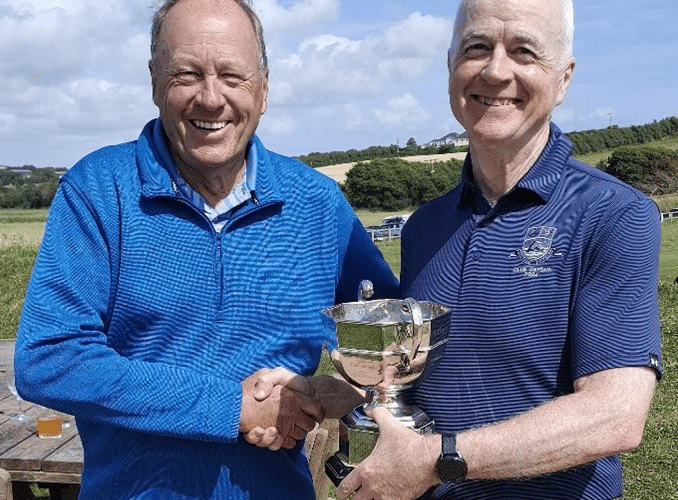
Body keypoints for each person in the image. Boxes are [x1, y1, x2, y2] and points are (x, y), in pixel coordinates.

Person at [252, 0, 662, 499]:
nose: (495, 70)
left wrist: (437, 460)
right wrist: (324, 394)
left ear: (564, 78)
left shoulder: (614, 213)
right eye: (477, 47)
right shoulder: (425, 226)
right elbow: (425, 384)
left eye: (524, 51)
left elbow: (614, 416)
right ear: (450, 67)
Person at [13, 0, 398, 498]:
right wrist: (230, 408)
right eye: (187, 74)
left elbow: (391, 344)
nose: (211, 99)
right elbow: (49, 359)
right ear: (154, 81)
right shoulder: (98, 190)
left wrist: (342, 393)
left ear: (264, 88)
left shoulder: (318, 203)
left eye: (233, 77)